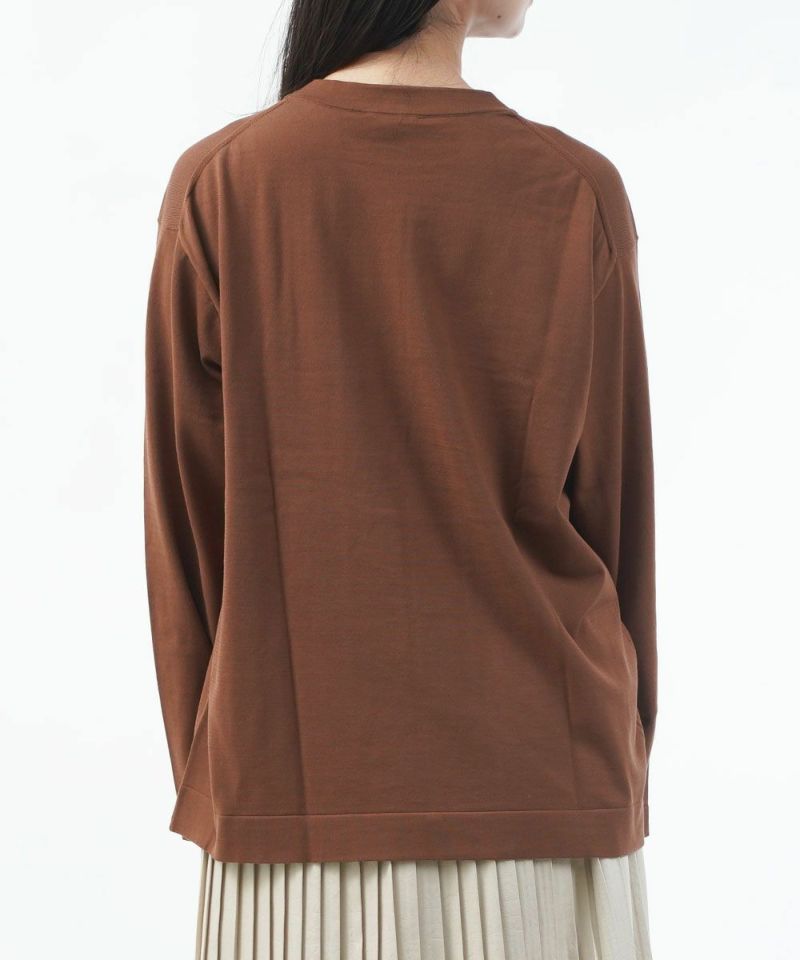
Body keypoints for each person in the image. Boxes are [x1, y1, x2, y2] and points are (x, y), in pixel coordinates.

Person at [142, 1, 658, 957]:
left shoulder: (224, 182)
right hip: (546, 793)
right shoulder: (573, 187)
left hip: (292, 800)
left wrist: (238, 767)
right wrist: (617, 761)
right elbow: (616, 515)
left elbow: (189, 530)